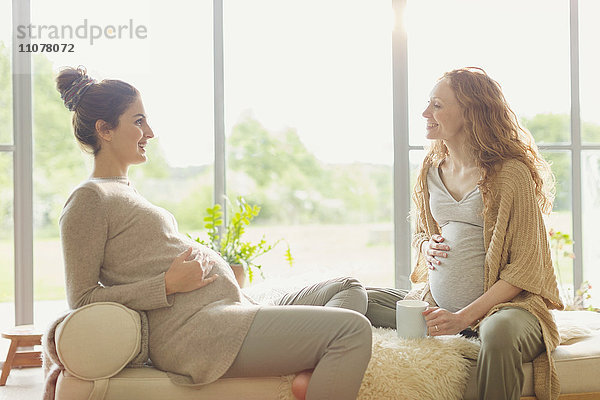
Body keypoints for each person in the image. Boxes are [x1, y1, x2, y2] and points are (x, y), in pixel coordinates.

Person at [56, 66, 374, 400]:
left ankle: (309, 362)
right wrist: (165, 285)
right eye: (138, 121)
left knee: (348, 288)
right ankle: (313, 356)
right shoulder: (88, 199)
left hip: (233, 309)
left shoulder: (122, 189)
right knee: (351, 330)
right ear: (104, 130)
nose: (149, 131)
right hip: (200, 333)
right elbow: (82, 297)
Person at [368, 67, 564, 400]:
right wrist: (426, 245)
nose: (425, 113)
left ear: (470, 112)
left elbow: (525, 269)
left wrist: (462, 318)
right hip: (438, 306)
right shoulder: (430, 170)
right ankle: (273, 309)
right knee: (359, 298)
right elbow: (422, 233)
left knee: (499, 334)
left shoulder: (509, 173)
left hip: (508, 311)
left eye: (437, 105)